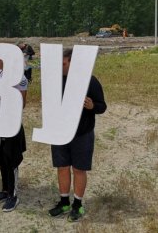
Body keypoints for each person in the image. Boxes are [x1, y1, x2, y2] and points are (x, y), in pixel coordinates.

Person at [48, 49, 107, 222]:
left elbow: (102, 106)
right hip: (60, 132)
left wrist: (91, 106)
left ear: (73, 63)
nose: (61, 67)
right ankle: (64, 201)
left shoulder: (90, 81)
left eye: (64, 64)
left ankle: (78, 205)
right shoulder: (55, 81)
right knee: (62, 167)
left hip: (82, 134)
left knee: (79, 169)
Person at [0, 59, 28, 212]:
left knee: (12, 158)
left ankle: (13, 195)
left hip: (11, 123)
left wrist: (3, 97)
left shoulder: (20, 78)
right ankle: (5, 190)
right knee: (1, 157)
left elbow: (22, 103)